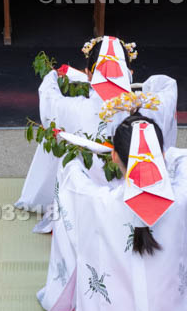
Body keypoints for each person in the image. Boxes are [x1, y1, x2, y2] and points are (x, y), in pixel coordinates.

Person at [38, 112, 187, 311]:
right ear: (159, 154)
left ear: (114, 157)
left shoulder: (98, 202)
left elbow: (72, 177)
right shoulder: (181, 199)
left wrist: (84, 155)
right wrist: (152, 153)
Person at [17, 36, 177, 221]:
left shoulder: (72, 109)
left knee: (64, 156)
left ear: (88, 74)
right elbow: (168, 87)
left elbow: (49, 101)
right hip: (135, 198)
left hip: (87, 198)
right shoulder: (148, 110)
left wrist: (52, 76)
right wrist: (143, 95)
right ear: (129, 73)